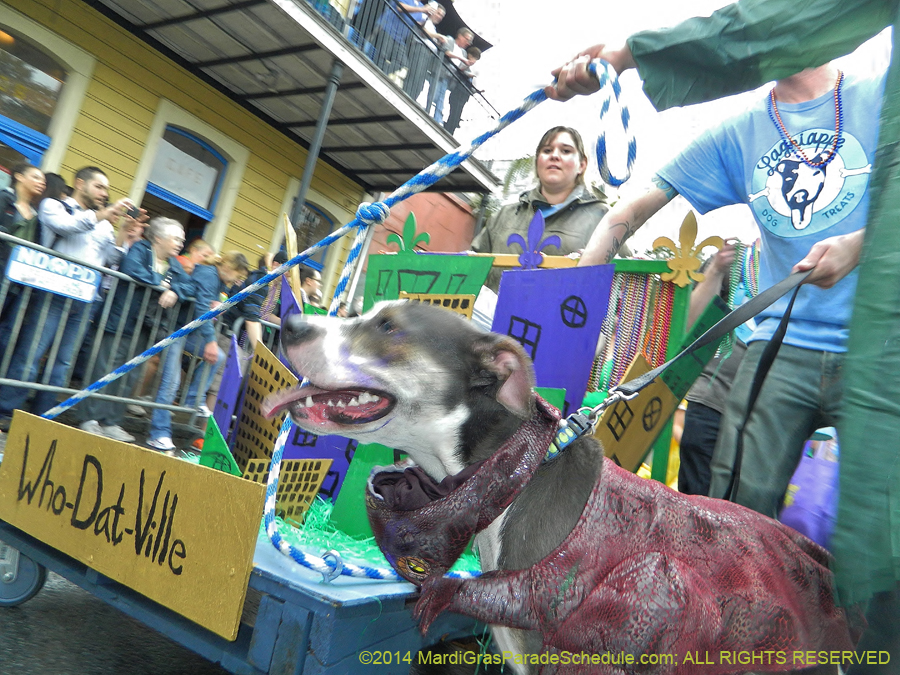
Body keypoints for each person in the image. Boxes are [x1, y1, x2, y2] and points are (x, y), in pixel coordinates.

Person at [547, 3, 900, 658]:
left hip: (880, 353)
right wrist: (576, 301)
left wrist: (859, 243)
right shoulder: (738, 131)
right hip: (778, 349)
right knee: (738, 516)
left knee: (880, 539)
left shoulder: (880, 91)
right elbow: (629, 211)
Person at [0, 167, 136, 423]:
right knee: (31, 354)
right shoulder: (54, 205)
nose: (104, 193)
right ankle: (7, 411)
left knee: (63, 362)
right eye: (99, 187)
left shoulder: (104, 223)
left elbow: (111, 258)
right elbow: (66, 227)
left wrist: (123, 235)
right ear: (80, 183)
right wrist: (102, 214)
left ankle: (44, 416)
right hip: (52, 293)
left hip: (85, 300)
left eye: (106, 190)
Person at [78, 217, 192, 442]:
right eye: (176, 239)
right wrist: (161, 284)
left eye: (182, 240)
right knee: (105, 369)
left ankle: (111, 422)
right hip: (121, 321)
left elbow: (189, 285)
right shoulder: (141, 249)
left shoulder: (174, 263)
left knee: (130, 375)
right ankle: (89, 418)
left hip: (146, 326)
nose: (180, 244)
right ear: (158, 238)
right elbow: (131, 269)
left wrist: (174, 290)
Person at [471, 125, 609, 292]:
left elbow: (625, 280)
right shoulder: (504, 216)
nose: (554, 156)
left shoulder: (602, 217)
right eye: (547, 150)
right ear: (537, 161)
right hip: (498, 308)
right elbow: (470, 270)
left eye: (566, 151)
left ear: (582, 164)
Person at [148, 251, 248, 451]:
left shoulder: (218, 280)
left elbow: (203, 299)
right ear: (228, 267)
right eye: (237, 275)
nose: (237, 281)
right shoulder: (210, 274)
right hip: (176, 330)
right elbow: (202, 309)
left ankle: (193, 397)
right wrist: (210, 341)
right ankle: (158, 433)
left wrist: (215, 303)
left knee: (218, 356)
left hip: (186, 332)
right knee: (171, 382)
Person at [678, 243, 749, 496]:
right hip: (711, 402)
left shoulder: (801, 264)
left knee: (747, 503)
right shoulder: (737, 259)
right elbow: (688, 324)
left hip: (763, 414)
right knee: (698, 497)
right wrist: (717, 269)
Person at [403, 1, 446, 103]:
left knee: (420, 83)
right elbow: (423, 32)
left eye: (442, 16)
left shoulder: (434, 28)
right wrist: (437, 36)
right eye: (439, 14)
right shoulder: (425, 19)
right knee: (414, 78)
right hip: (420, 51)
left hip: (427, 56)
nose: (440, 17)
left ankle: (411, 100)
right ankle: (405, 98)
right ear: (433, 11)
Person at [429, 28, 474, 124]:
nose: (468, 43)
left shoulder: (463, 52)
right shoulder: (450, 40)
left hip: (448, 78)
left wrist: (469, 72)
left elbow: (461, 68)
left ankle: (437, 119)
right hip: (439, 73)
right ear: (460, 36)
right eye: (467, 39)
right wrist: (462, 59)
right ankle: (427, 111)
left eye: (470, 41)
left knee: (441, 99)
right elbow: (446, 52)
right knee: (434, 95)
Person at [444, 45, 481, 135]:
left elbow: (471, 86)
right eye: (474, 58)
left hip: (464, 95)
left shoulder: (471, 68)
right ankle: (448, 130)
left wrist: (476, 90)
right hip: (457, 92)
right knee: (454, 113)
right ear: (469, 55)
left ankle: (450, 130)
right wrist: (467, 73)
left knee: (456, 115)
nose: (474, 61)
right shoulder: (463, 62)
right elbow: (458, 70)